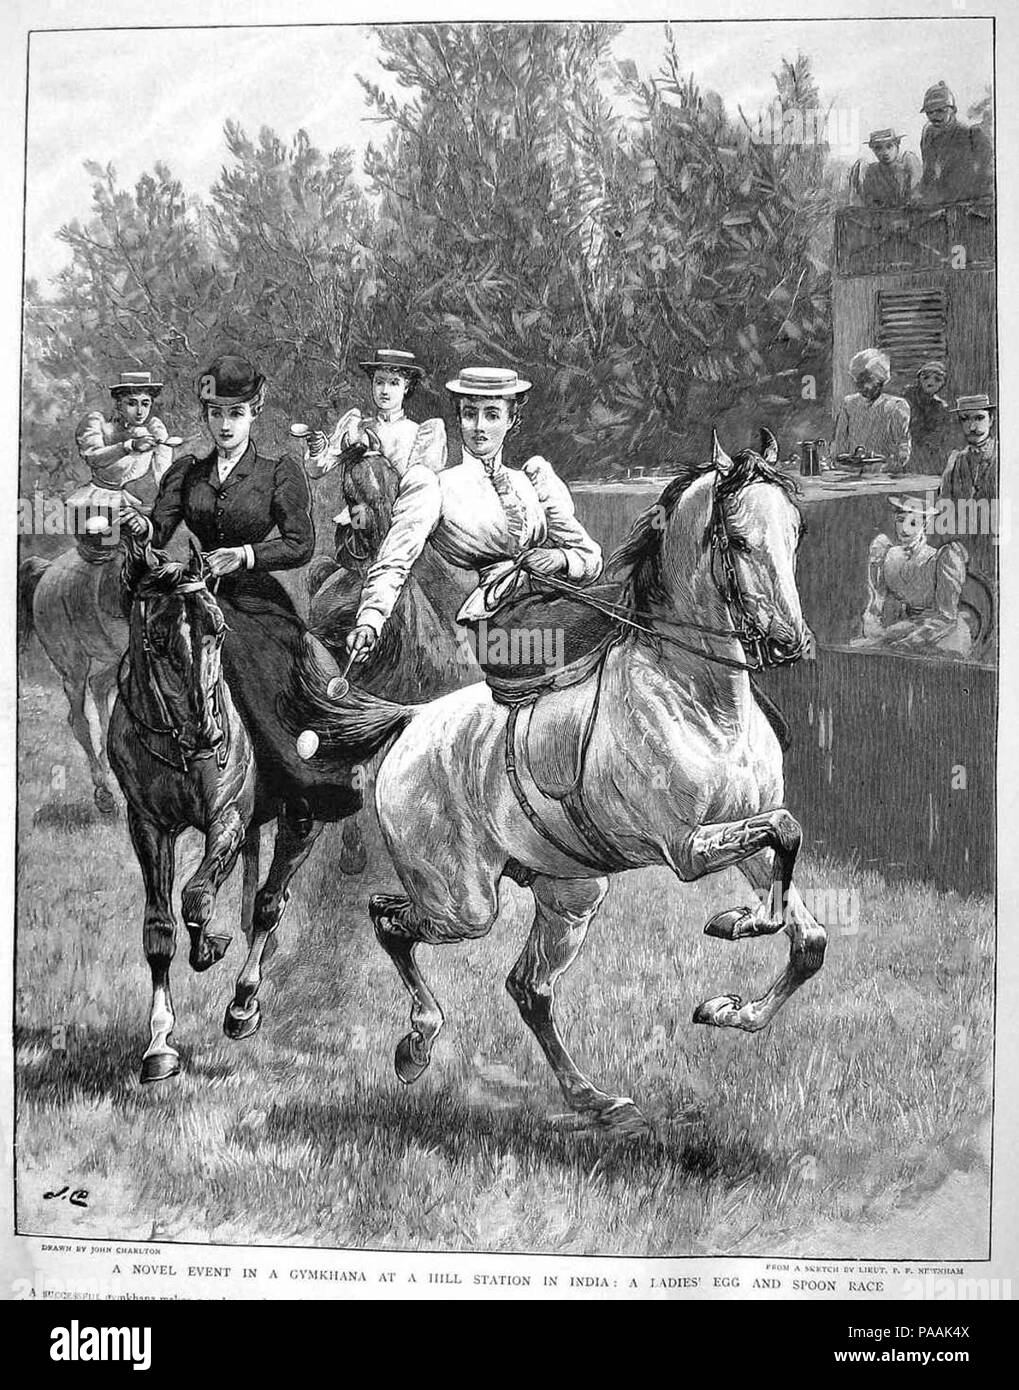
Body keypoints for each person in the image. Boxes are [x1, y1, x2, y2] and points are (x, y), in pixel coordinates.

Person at [119, 354, 359, 823]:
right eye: (215, 414)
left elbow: (300, 544)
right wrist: (140, 527)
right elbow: (159, 529)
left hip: (254, 601)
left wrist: (245, 555)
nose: (225, 425)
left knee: (252, 658)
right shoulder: (187, 472)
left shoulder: (278, 472)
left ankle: (294, 776)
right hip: (197, 593)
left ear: (256, 409)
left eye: (235, 413)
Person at [344, 365, 603, 666]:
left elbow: (590, 558)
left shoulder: (532, 479)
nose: (479, 426)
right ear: (459, 418)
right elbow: (395, 557)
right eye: (470, 414)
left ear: (511, 419)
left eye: (492, 415)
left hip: (548, 604)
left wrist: (561, 559)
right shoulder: (435, 485)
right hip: (489, 626)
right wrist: (370, 620)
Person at [303, 347, 446, 481]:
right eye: (379, 382)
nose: (384, 390)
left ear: (406, 387)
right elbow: (316, 470)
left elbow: (422, 488)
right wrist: (317, 449)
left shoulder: (419, 434)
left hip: (402, 507)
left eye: (394, 383)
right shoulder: (356, 427)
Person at [68, 370, 175, 546]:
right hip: (94, 502)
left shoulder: (151, 432)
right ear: (119, 404)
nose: (140, 411)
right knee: (104, 552)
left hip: (125, 503)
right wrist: (129, 446)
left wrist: (163, 447)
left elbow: (163, 478)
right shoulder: (99, 425)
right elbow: (93, 458)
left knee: (140, 556)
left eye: (145, 404)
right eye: (132, 403)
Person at [857, 495, 971, 658]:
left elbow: (946, 617)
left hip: (942, 634)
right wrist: (873, 627)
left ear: (925, 525)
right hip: (906, 627)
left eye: (912, 523)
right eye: (900, 520)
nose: (904, 528)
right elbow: (875, 603)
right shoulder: (886, 554)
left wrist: (907, 643)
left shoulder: (942, 559)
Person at [832, 348, 912, 474]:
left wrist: (886, 466)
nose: (861, 386)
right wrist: (844, 464)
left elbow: (902, 448)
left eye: (867, 380)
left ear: (881, 380)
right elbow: (839, 446)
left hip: (884, 477)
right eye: (858, 380)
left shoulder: (896, 406)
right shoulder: (849, 404)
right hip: (851, 475)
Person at [919, 81, 993, 204]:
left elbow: (987, 175)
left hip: (969, 200)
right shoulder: (929, 133)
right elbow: (928, 172)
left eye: (940, 111)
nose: (934, 116)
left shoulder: (971, 133)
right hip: (940, 201)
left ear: (953, 110)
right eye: (929, 112)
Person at [902, 361, 951, 476]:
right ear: (919, 380)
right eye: (926, 378)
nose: (931, 382)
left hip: (927, 453)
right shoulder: (907, 398)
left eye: (937, 380)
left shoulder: (940, 407)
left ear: (943, 384)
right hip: (906, 448)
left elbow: (939, 435)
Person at [851, 129, 922, 208]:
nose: (885, 152)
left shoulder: (907, 163)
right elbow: (868, 203)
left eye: (889, 146)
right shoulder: (871, 171)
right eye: (878, 148)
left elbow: (916, 196)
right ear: (873, 150)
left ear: (897, 146)